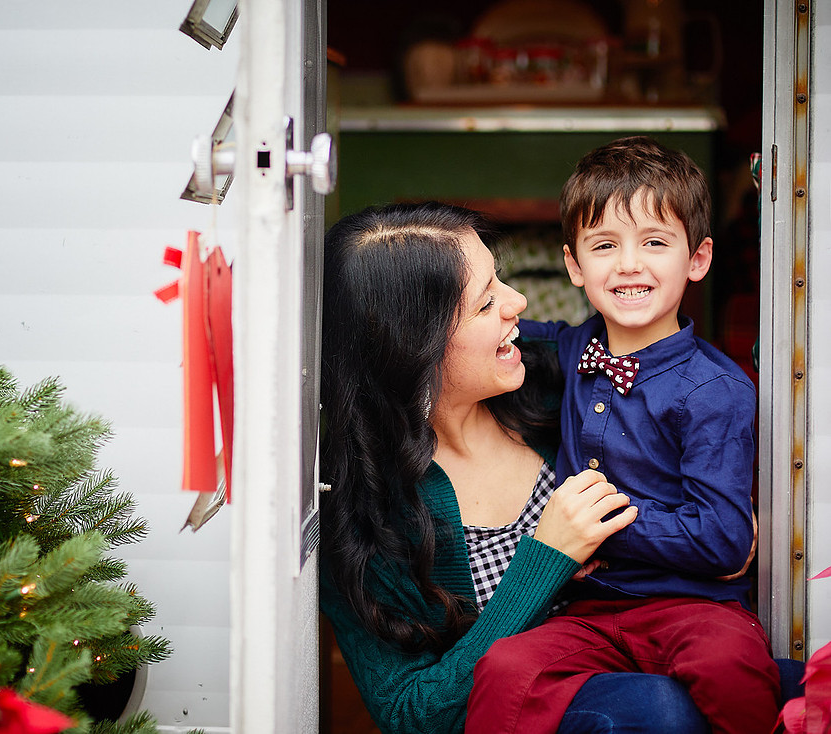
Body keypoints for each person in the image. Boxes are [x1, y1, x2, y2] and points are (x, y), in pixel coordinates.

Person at [318, 200, 714, 734]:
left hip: (653, 650)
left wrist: (722, 519)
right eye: (485, 304)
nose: (518, 302)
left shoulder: (562, 380)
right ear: (412, 345)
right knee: (655, 711)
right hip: (547, 715)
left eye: (498, 280)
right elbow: (411, 715)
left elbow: (692, 410)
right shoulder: (363, 510)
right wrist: (546, 558)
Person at [465, 136, 779, 734]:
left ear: (698, 258)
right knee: (507, 668)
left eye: (655, 243)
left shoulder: (717, 389)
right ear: (575, 266)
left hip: (692, 607)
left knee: (733, 666)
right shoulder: (572, 346)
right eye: (605, 246)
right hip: (589, 610)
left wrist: (599, 528)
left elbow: (723, 537)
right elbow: (499, 330)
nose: (630, 264)